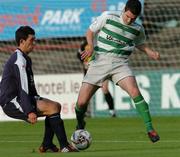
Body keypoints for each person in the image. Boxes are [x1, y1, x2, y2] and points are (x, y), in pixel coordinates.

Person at [75, 0, 160, 143]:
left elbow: (139, 43)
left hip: (120, 64)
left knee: (135, 92)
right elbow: (90, 31)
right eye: (128, 16)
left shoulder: (138, 28)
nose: (130, 20)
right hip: (99, 62)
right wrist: (90, 45)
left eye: (134, 18)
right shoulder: (108, 16)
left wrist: (150, 52)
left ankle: (150, 129)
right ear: (124, 10)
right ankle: (80, 123)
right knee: (81, 103)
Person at [0, 26, 78, 153]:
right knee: (52, 108)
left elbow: (29, 87)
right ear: (22, 41)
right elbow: (23, 88)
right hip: (11, 102)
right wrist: (29, 111)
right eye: (32, 40)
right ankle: (64, 146)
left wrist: (36, 98)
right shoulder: (19, 60)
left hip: (20, 98)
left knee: (55, 106)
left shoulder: (25, 58)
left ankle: (47, 144)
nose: (34, 43)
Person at [77, 40, 116, 117]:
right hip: (89, 71)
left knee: (105, 89)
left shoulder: (100, 42)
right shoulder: (84, 44)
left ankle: (112, 111)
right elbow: (78, 55)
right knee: (86, 93)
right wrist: (84, 62)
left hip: (101, 69)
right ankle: (85, 112)